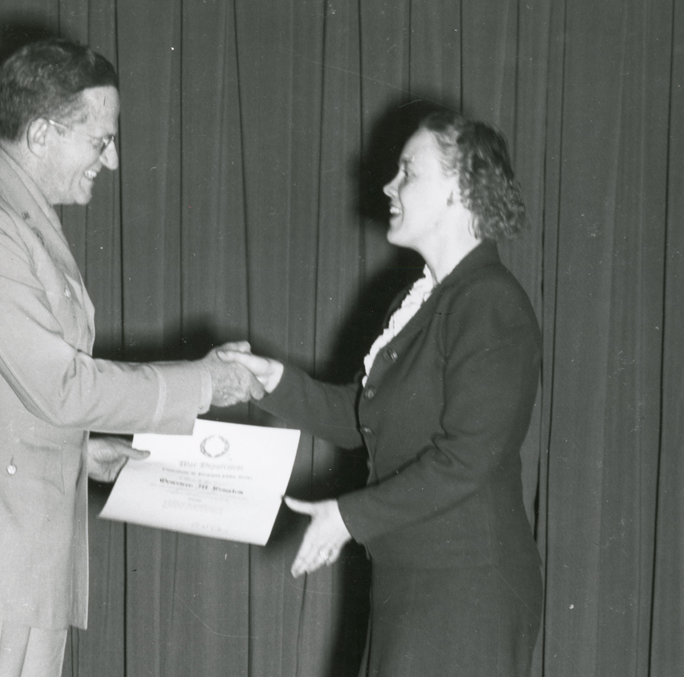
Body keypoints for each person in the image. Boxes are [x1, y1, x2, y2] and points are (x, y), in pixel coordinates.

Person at [0, 38, 261, 677]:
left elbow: (0, 391)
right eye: (101, 140)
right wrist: (204, 384)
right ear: (45, 133)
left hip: (14, 561)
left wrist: (78, 451)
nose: (112, 158)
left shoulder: (15, 217)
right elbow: (62, 387)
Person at [221, 110, 543, 676]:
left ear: (461, 188)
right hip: (414, 578)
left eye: (407, 173)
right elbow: (365, 417)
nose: (389, 186)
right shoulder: (421, 302)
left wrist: (348, 517)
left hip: (467, 589)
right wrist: (272, 379)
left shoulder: (488, 301)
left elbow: (469, 458)